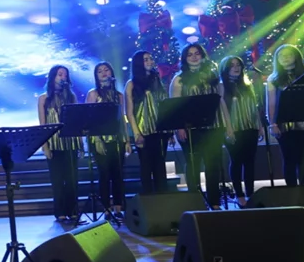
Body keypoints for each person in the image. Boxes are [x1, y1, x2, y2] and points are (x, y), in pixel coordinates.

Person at [169, 44, 233, 208]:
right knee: (193, 164)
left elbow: (221, 102)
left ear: (203, 56)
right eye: (190, 54)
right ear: (184, 58)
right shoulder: (179, 79)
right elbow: (174, 106)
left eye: (197, 54)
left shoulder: (213, 76)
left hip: (214, 126)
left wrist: (228, 125)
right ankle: (195, 200)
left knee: (213, 164)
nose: (194, 57)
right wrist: (179, 127)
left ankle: (215, 201)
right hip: (190, 128)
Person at [86, 62, 127, 223]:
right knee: (104, 174)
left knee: (118, 174)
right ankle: (106, 208)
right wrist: (96, 140)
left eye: (106, 70)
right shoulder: (93, 94)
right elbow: (89, 119)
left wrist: (126, 139)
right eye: (100, 71)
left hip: (117, 139)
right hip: (99, 139)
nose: (104, 73)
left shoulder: (119, 95)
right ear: (96, 76)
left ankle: (118, 207)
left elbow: (121, 119)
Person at [38, 65, 80, 223]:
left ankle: (73, 210)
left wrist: (80, 144)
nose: (62, 77)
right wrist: (45, 146)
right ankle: (60, 212)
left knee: (72, 178)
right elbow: (42, 125)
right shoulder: (44, 98)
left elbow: (76, 121)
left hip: (70, 143)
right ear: (52, 77)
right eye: (59, 74)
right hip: (53, 143)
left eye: (65, 75)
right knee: (57, 179)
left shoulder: (71, 97)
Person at [267, 44, 304, 186]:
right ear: (277, 59)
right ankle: (292, 192)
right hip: (284, 124)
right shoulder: (273, 79)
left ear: (296, 57)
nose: (285, 58)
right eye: (281, 56)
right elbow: (272, 103)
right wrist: (272, 124)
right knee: (289, 159)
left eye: (289, 55)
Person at [125, 51, 169, 193]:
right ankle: (149, 201)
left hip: (160, 129)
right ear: (139, 63)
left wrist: (170, 129)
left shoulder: (157, 80)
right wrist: (137, 134)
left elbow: (164, 104)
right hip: (143, 131)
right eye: (146, 59)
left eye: (150, 58)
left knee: (160, 165)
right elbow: (129, 112)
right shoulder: (131, 84)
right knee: (146, 166)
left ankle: (163, 198)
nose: (150, 61)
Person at [221, 55, 262, 207]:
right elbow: (222, 108)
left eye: (238, 65)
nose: (236, 67)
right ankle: (239, 195)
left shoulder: (247, 84)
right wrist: (228, 128)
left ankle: (250, 193)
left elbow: (254, 105)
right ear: (226, 69)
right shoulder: (222, 86)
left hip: (250, 127)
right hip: (233, 129)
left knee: (250, 162)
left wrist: (259, 125)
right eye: (232, 65)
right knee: (236, 161)